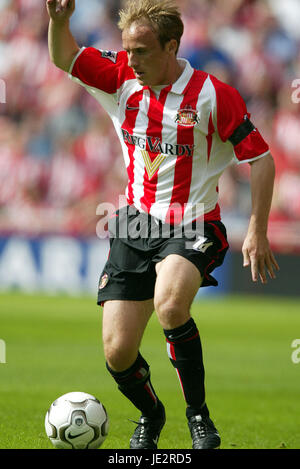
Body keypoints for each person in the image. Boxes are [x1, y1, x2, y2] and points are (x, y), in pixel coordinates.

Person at [46, 0, 280, 450]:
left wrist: (257, 227)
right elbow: (64, 57)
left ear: (172, 46)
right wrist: (60, 23)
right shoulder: (121, 79)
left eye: (142, 51)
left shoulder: (213, 95)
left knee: (171, 305)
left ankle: (199, 419)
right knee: (117, 352)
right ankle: (152, 416)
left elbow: (262, 159)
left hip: (194, 222)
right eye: (127, 50)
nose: (131, 60)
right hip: (134, 225)